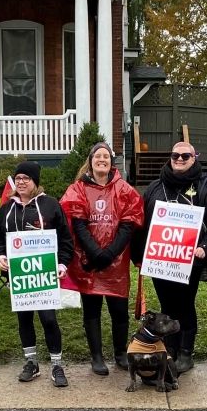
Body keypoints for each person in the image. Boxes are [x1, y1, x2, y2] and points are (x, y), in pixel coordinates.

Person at [131, 141, 207, 374]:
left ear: (194, 158)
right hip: (160, 260)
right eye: (175, 155)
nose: (179, 159)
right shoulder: (155, 188)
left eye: (185, 156)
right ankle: (168, 350)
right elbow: (142, 225)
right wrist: (139, 255)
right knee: (167, 307)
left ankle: (186, 354)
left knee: (185, 306)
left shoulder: (205, 188)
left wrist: (205, 247)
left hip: (190, 261)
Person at [60, 142, 144, 375]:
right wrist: (96, 253)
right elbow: (78, 224)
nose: (102, 160)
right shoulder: (77, 189)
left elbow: (128, 225)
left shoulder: (125, 190)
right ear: (91, 160)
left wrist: (109, 253)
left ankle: (120, 353)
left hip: (116, 264)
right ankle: (96, 356)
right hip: (89, 262)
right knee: (92, 311)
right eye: (98, 156)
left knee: (119, 311)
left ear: (111, 162)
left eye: (106, 156)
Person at [0, 162, 74, 387]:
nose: (21, 182)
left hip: (44, 275)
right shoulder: (7, 209)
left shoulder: (51, 205)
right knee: (24, 319)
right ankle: (31, 362)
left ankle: (57, 365)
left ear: (35, 182)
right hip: (19, 278)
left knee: (48, 319)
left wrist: (63, 263)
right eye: (18, 178)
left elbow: (65, 239)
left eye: (26, 178)